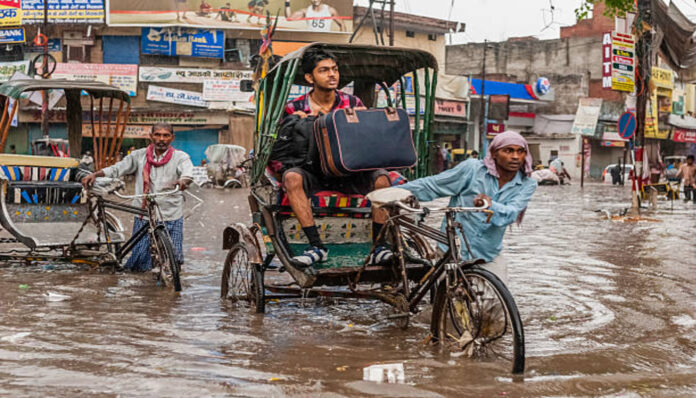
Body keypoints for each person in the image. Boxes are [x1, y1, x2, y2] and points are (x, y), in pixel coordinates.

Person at [271, 48, 391, 268]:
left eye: (334, 70)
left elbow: (368, 141)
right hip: (312, 171)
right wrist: (298, 125)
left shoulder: (353, 103)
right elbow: (282, 152)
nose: (332, 75)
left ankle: (378, 247)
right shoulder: (295, 108)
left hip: (349, 171)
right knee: (291, 178)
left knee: (382, 178)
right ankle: (316, 246)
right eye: (324, 70)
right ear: (310, 77)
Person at [399, 131, 537, 281]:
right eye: (508, 150)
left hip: (487, 254)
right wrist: (398, 192)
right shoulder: (472, 169)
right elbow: (434, 185)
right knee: (446, 299)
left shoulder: (527, 183)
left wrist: (490, 205)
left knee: (497, 302)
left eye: (520, 151)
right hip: (452, 250)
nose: (515, 156)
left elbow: (511, 213)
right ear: (494, 154)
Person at [81, 123, 194, 272]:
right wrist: (96, 174)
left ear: (172, 138)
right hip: (143, 212)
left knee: (174, 257)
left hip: (171, 211)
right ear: (151, 136)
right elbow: (118, 169)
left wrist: (183, 181)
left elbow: (187, 173)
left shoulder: (181, 157)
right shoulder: (139, 156)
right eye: (158, 135)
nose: (161, 139)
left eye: (166, 135)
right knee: (140, 259)